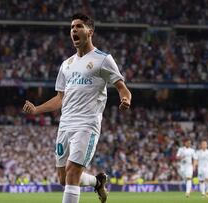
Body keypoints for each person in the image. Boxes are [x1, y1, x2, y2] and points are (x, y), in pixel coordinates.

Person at [22, 13, 131, 203]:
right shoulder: (67, 64)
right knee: (64, 179)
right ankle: (97, 183)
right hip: (65, 125)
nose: (74, 30)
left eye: (79, 26)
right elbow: (60, 98)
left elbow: (122, 88)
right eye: (72, 27)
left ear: (90, 31)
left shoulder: (103, 59)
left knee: (73, 172)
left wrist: (125, 100)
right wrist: (37, 110)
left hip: (87, 125)